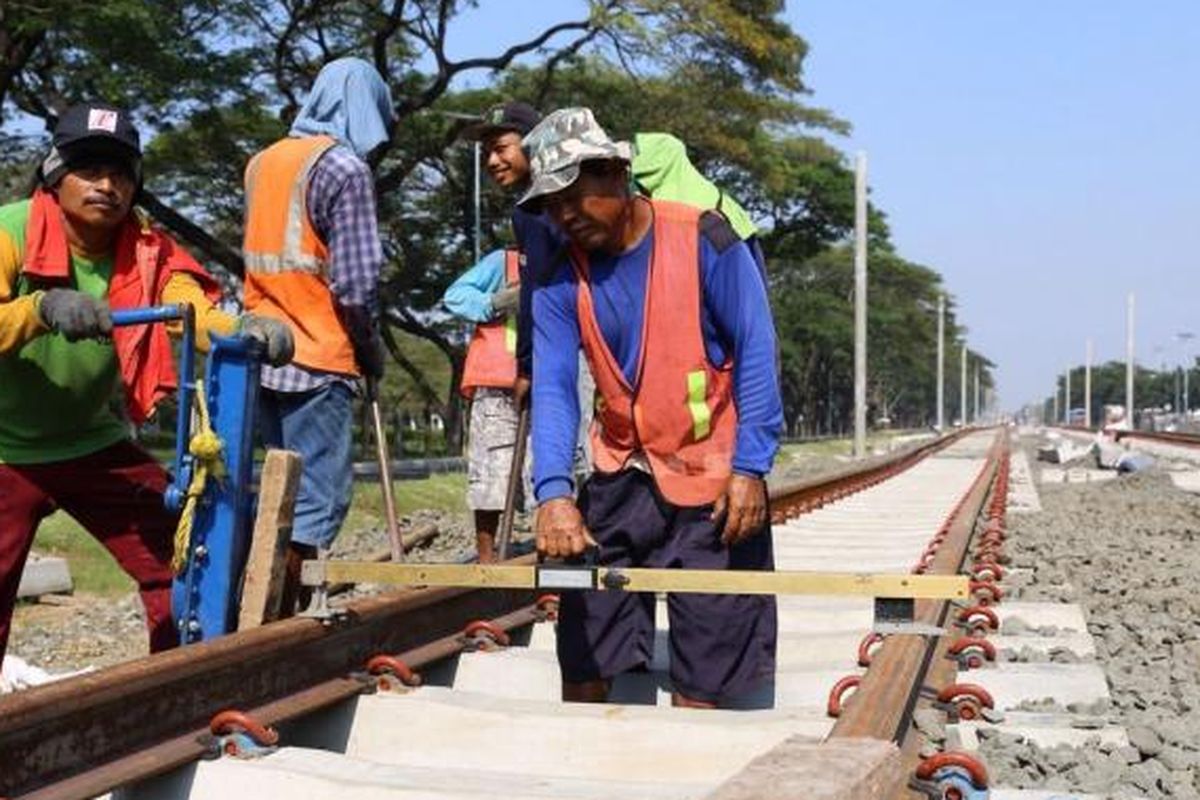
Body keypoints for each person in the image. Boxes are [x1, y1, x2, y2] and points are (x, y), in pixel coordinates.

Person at [0, 103, 293, 662]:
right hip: (3, 449)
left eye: (120, 174)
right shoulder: (9, 230)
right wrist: (41, 307)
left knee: (179, 558)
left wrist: (243, 328)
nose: (106, 185)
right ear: (54, 176)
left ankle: (175, 689)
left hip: (88, 440)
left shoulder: (147, 249)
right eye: (88, 170)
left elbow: (191, 311)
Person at [520, 108, 783, 708]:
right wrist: (555, 493)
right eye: (550, 205)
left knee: (712, 664)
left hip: (712, 473)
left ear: (615, 174)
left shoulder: (705, 240)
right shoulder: (561, 278)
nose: (563, 215)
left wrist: (751, 468)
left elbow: (757, 349)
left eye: (573, 196)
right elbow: (557, 387)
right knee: (585, 636)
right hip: (621, 470)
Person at [242, 58, 395, 613]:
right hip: (318, 355)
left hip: (258, 354)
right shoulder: (345, 169)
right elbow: (355, 285)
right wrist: (369, 347)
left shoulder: (262, 163)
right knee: (314, 501)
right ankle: (288, 615)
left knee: (270, 494)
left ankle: (258, 609)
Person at [442, 248, 524, 562]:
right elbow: (456, 296)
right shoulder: (503, 263)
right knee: (491, 479)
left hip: (547, 385)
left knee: (544, 479)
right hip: (497, 385)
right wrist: (494, 303)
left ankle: (551, 559)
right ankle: (487, 558)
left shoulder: (567, 260)